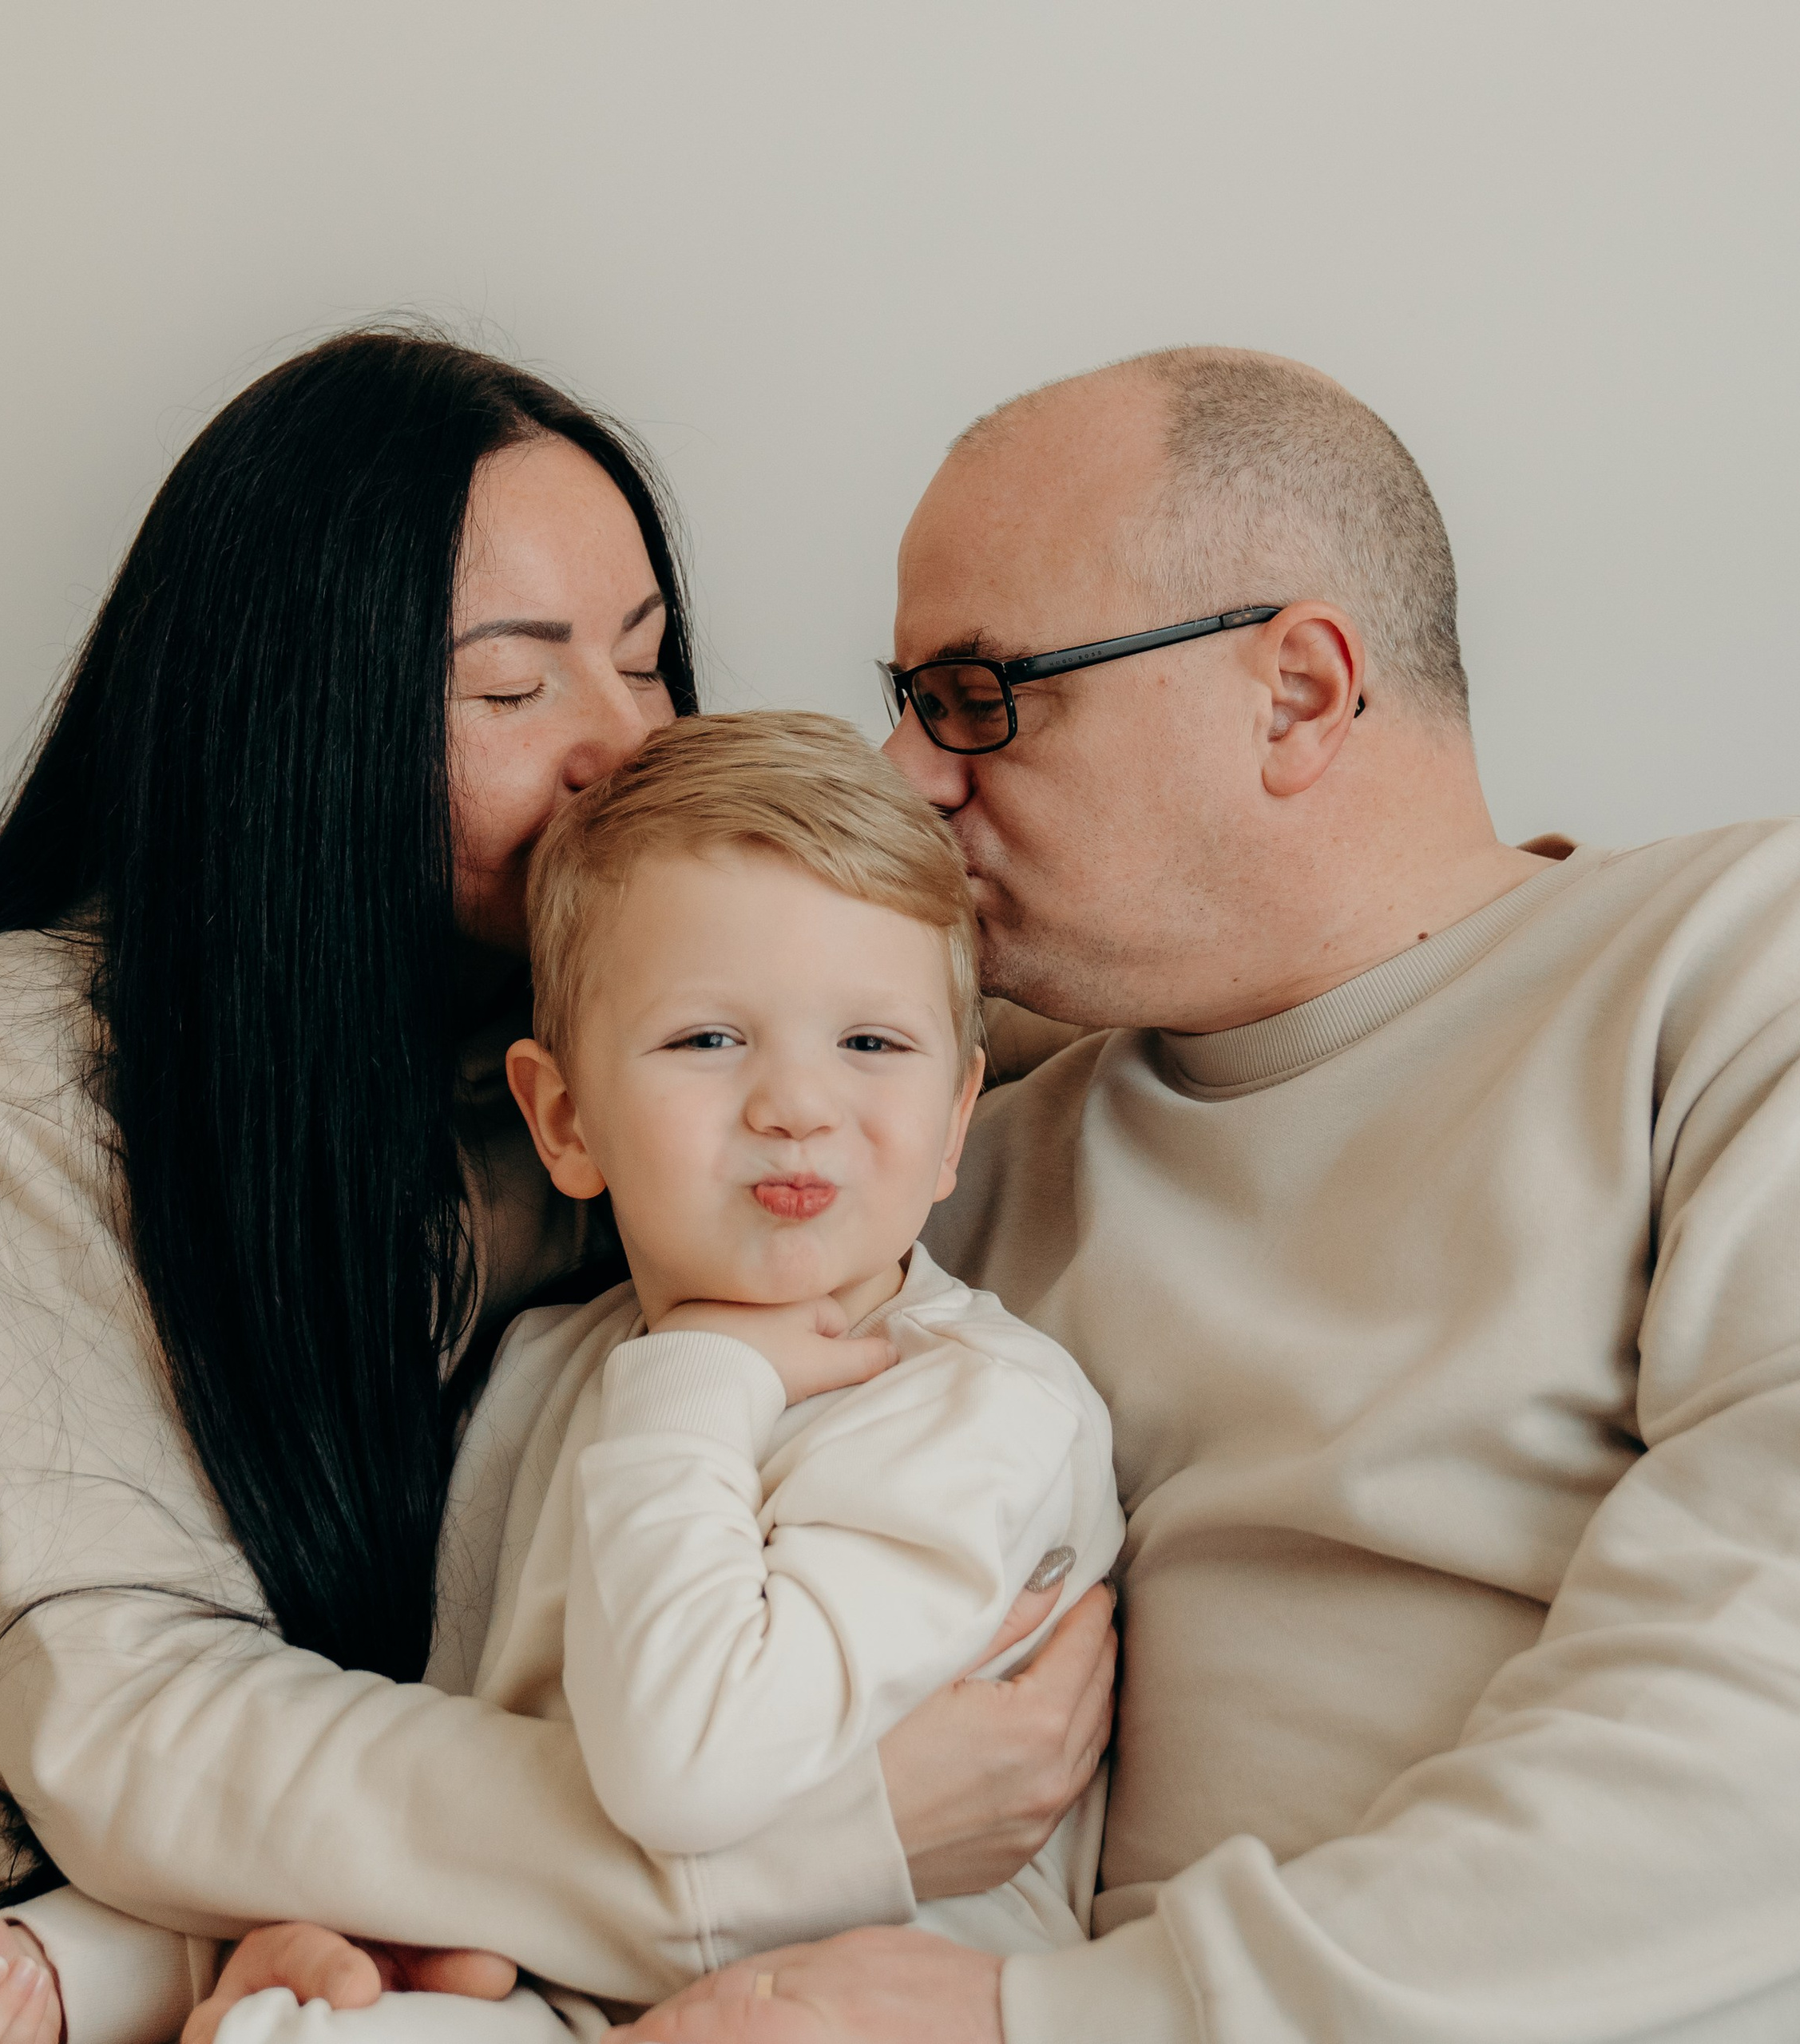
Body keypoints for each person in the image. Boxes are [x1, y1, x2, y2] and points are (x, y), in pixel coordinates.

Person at [0, 330, 1108, 2044]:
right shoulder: (50, 1058)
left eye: (641, 662)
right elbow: (128, 1723)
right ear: (306, 725)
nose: (615, 746)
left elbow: (964, 1015)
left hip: (262, 1922)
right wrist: (812, 1845)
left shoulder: (665, 1060)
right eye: (512, 687)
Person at [608, 347, 1800, 2041]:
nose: (903, 771)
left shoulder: (1732, 973)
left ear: (1296, 694)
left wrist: (1057, 2018)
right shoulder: (933, 1156)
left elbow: (1769, 1718)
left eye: (976, 694)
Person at [198, 710, 1124, 2043]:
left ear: (954, 1122)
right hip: (582, 1975)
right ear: (564, 1120)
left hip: (860, 2007)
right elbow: (434, 1764)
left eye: (871, 1044)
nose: (796, 1104)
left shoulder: (979, 1411)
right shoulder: (551, 1369)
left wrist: (695, 1383)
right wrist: (99, 1956)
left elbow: (690, 1769)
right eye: (708, 1041)